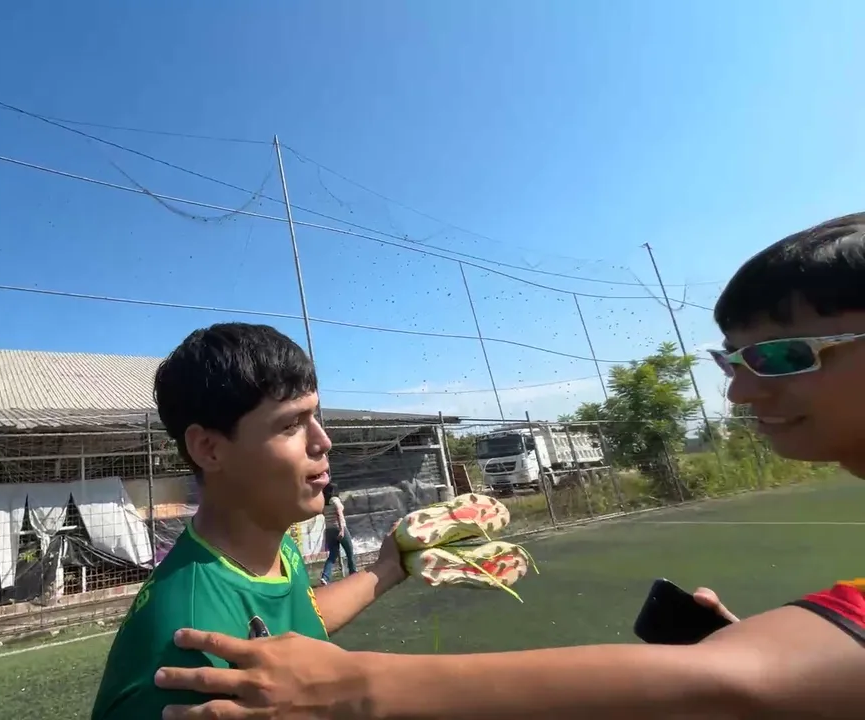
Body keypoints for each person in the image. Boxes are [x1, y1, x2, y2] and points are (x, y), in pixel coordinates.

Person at [152, 213, 865, 719]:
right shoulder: (186, 631)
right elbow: (737, 682)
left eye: (781, 356)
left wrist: (353, 674)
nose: (738, 392)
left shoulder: (268, 556)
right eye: (733, 362)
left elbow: (731, 684)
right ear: (208, 449)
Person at [89, 323, 406, 720]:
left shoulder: (269, 543)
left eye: (314, 416)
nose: (323, 441)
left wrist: (389, 567)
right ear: (209, 449)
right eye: (291, 424)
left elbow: (301, 618)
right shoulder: (194, 652)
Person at [318, 483, 356, 586]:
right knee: (349, 551)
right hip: (338, 528)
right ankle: (353, 573)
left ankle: (325, 577)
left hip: (329, 530)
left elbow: (323, 513)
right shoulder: (335, 500)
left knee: (332, 555)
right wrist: (341, 530)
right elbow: (339, 513)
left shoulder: (324, 503)